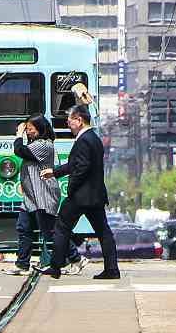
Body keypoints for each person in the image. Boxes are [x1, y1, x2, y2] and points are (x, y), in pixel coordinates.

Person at [42, 105, 119, 279]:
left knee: (61, 227)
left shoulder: (84, 140)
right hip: (95, 195)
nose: (68, 124)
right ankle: (112, 269)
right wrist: (54, 172)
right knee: (104, 232)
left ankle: (55, 267)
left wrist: (72, 187)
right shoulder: (93, 138)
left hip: (80, 195)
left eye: (70, 121)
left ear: (79, 120)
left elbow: (81, 167)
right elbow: (74, 165)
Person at [6, 115, 85, 275]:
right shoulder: (35, 143)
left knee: (51, 231)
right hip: (30, 197)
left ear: (40, 129)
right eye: (27, 129)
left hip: (43, 195)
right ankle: (22, 264)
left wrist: (18, 135)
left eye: (30, 129)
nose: (28, 132)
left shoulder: (44, 145)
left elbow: (20, 150)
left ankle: (76, 258)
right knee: (23, 228)